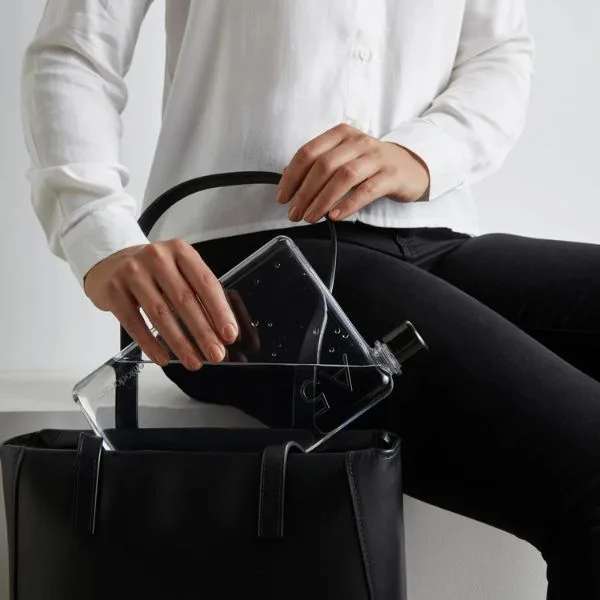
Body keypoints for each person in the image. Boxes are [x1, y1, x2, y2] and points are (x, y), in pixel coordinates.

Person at [22, 1, 600, 597]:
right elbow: (75, 48)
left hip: (431, 231)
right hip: (241, 263)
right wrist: (99, 232)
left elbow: (498, 50)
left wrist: (423, 152)